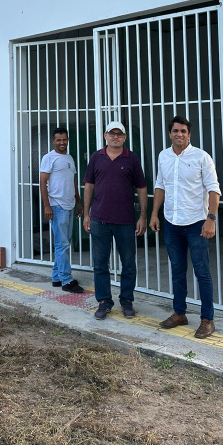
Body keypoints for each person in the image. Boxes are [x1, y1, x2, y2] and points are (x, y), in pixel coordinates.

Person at [149, 115, 221, 339]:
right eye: (175, 131)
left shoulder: (201, 157)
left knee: (202, 272)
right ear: (169, 133)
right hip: (171, 222)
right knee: (178, 271)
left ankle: (207, 319)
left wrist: (211, 218)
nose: (179, 134)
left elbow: (213, 189)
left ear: (189, 135)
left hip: (196, 223)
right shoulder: (163, 156)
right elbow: (160, 185)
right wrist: (154, 214)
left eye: (183, 131)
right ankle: (180, 313)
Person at [83, 121, 147, 319]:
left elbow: (142, 188)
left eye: (120, 134)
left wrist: (143, 216)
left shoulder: (132, 159)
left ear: (125, 138)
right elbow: (89, 186)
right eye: (112, 133)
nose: (116, 137)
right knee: (100, 264)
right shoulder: (96, 157)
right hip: (99, 219)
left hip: (125, 221)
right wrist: (86, 214)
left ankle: (126, 300)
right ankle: (104, 301)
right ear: (105, 135)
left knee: (128, 263)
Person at [40, 127, 85, 293]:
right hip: (57, 206)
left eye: (64, 139)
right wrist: (46, 206)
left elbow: (72, 181)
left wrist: (78, 202)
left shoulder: (69, 158)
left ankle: (57, 277)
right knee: (62, 244)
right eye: (58, 140)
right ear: (53, 141)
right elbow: (42, 182)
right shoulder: (48, 158)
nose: (62, 142)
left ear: (67, 140)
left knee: (64, 243)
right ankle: (67, 281)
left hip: (69, 204)